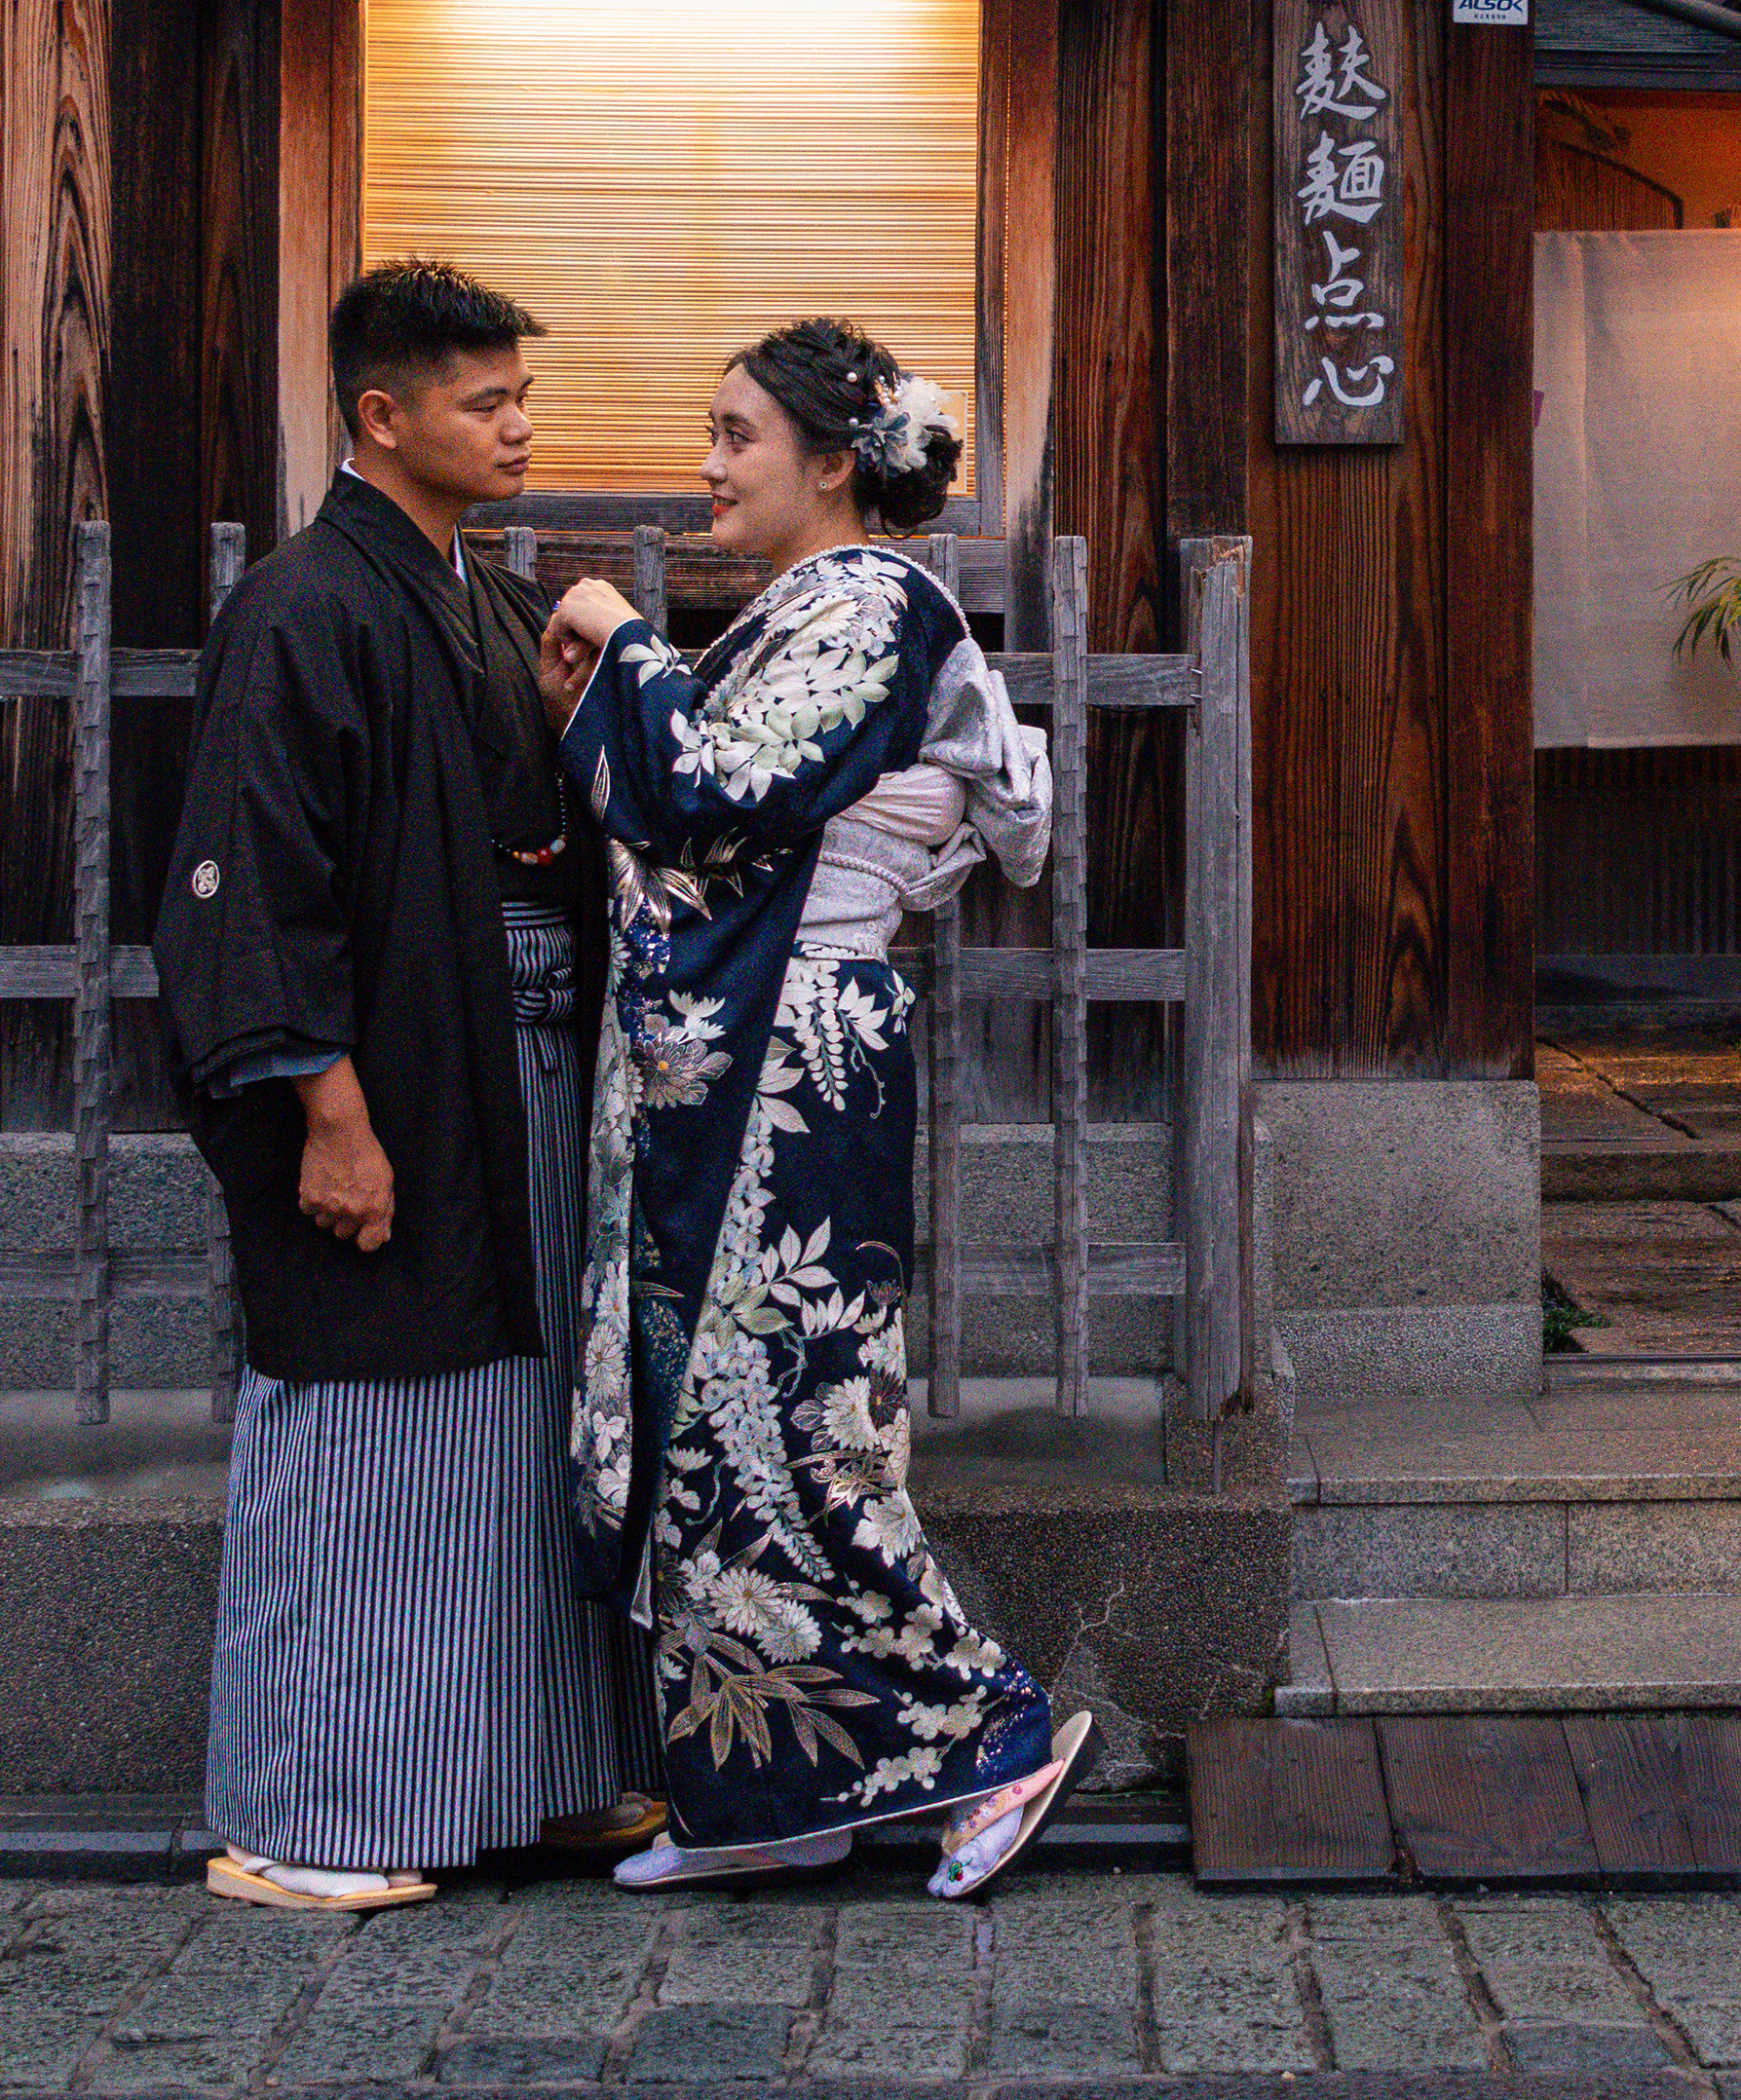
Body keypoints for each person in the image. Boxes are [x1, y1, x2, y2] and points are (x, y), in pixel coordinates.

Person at [536, 317, 1092, 1899]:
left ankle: (991, 1731)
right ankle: (767, 1797)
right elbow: (687, 795)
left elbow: (713, 791)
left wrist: (623, 644)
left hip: (795, 1062)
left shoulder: (878, 603)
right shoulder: (808, 605)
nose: (706, 467)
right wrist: (633, 690)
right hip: (741, 1057)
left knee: (799, 1426)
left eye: (736, 437)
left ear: (833, 460)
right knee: (718, 1429)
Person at [158, 257, 662, 1911]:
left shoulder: (487, 601)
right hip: (391, 1076)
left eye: (522, 397)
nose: (521, 427)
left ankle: (521, 1776)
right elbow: (257, 878)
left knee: (520, 1429)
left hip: (510, 1066)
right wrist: (329, 1111)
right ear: (383, 416)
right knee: (378, 1430)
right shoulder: (303, 606)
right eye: (484, 402)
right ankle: (311, 1817)